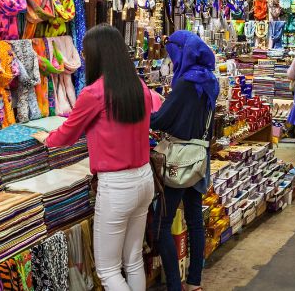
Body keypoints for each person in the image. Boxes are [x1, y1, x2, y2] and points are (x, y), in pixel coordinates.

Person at [34, 24, 158, 291]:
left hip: (117, 186)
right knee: (133, 260)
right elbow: (155, 108)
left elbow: (67, 134)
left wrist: (47, 139)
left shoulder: (94, 93)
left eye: (87, 53)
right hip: (144, 179)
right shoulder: (137, 86)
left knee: (108, 270)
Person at [150, 30, 220, 291]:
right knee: (194, 220)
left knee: (161, 223)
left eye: (173, 54)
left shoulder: (185, 83)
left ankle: (174, 287)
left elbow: (161, 120)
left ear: (183, 53)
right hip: (199, 158)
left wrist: (139, 112)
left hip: (179, 160)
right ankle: (194, 282)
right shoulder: (209, 80)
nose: (171, 60)